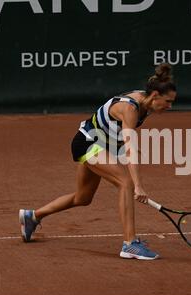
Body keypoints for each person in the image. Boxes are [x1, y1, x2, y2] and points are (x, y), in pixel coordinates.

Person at [19, 63, 177, 260]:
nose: (170, 106)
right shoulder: (130, 108)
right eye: (168, 101)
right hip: (87, 143)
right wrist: (138, 185)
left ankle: (32, 216)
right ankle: (130, 244)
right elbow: (129, 149)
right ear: (155, 96)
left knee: (82, 198)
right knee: (125, 183)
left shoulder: (145, 102)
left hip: (99, 144)